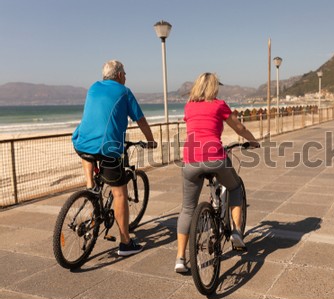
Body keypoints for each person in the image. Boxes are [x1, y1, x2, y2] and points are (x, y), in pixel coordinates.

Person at [175, 72, 259, 273]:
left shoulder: (189, 106)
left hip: (191, 160)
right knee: (235, 187)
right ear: (214, 88)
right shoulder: (219, 104)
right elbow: (239, 128)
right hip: (215, 158)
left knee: (187, 209)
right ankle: (237, 232)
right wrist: (253, 140)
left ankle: (180, 258)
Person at [72, 60, 157, 256]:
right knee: (119, 193)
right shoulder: (124, 91)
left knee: (89, 151)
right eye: (125, 73)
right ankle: (125, 243)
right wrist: (151, 140)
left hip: (81, 142)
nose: (126, 76)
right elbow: (140, 119)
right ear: (119, 75)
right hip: (108, 146)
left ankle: (90, 186)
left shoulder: (93, 87)